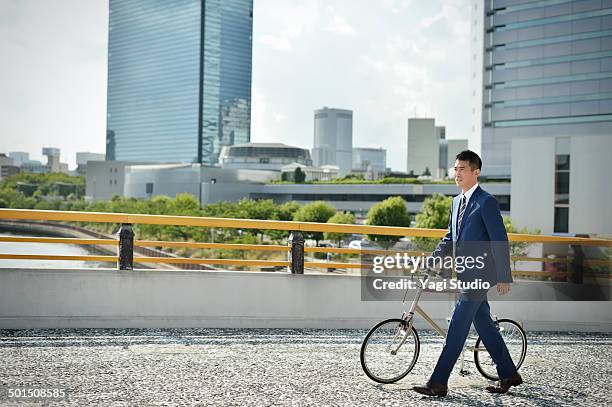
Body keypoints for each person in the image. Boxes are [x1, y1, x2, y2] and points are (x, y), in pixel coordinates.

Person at [412, 150, 523, 397]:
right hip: (463, 274)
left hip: (479, 277)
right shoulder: (456, 202)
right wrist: (430, 263)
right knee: (484, 324)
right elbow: (450, 239)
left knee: (457, 326)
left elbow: (499, 240)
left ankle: (438, 382)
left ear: (476, 172)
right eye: (455, 168)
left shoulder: (486, 202)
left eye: (462, 169)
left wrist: (504, 276)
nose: (457, 173)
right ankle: (508, 373)